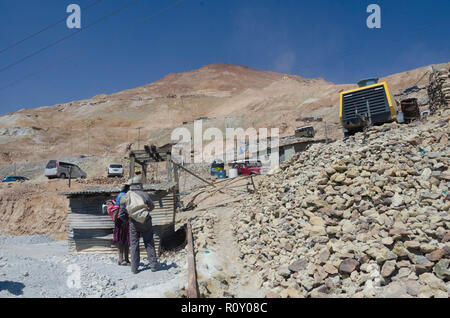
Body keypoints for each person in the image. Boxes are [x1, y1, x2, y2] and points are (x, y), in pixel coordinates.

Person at [119, 176, 159, 274]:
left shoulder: (126, 196)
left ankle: (134, 269)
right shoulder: (145, 195)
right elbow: (152, 206)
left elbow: (122, 214)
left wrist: (128, 221)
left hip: (133, 223)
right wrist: (145, 212)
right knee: (149, 242)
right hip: (146, 220)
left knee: (134, 245)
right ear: (140, 185)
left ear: (131, 186)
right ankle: (153, 266)